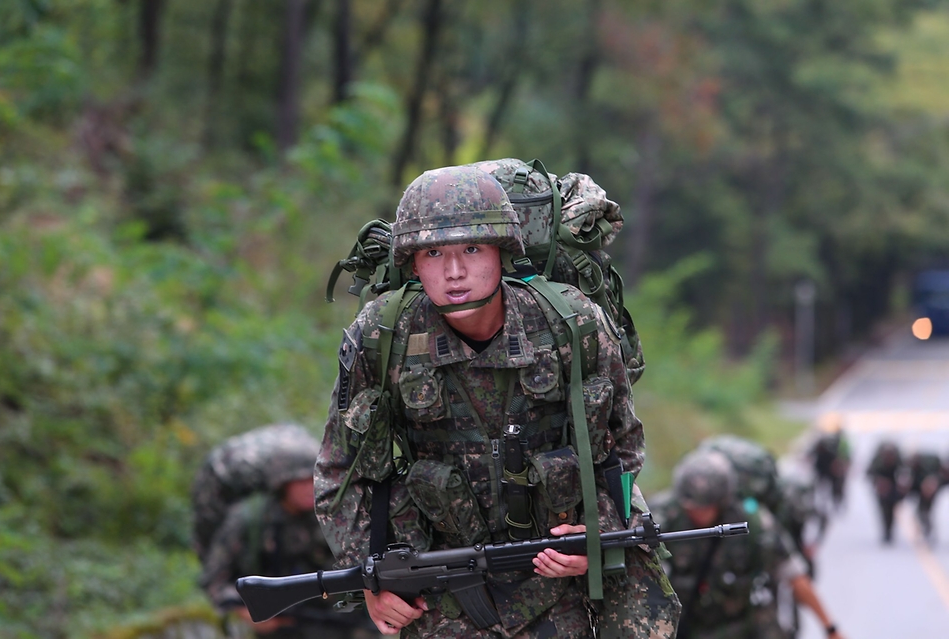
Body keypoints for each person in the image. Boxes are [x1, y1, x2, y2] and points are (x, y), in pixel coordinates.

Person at [314, 165, 680, 637]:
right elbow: (339, 472)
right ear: (412, 262)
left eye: (471, 248)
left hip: (557, 585)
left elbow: (622, 448)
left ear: (502, 252)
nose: (455, 271)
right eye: (433, 252)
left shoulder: (570, 323)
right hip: (439, 587)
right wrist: (371, 577)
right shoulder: (382, 336)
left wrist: (597, 532)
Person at [651, 449, 844, 639]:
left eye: (704, 507)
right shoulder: (665, 519)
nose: (696, 512)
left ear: (722, 501)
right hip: (685, 626)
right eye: (689, 507)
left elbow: (793, 574)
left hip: (739, 626)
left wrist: (830, 628)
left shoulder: (753, 522)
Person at [200, 440, 378, 639]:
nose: (309, 486)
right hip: (277, 628)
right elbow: (215, 581)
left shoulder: (336, 514)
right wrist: (246, 611)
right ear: (282, 483)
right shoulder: (251, 520)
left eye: (314, 478)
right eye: (300, 480)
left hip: (338, 624)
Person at [807, 413, 851, 516]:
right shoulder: (820, 439)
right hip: (822, 466)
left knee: (838, 487)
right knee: (817, 486)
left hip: (835, 468)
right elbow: (812, 451)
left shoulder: (841, 440)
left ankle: (838, 502)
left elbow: (846, 453)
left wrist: (844, 465)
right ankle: (818, 505)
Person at [866, 439, 906, 544]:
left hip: (893, 489)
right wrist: (879, 481)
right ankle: (886, 532)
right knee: (884, 511)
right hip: (881, 490)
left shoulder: (898, 462)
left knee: (892, 511)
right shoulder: (877, 462)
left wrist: (901, 484)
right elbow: (868, 473)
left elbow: (905, 473)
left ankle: (890, 531)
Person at [906, 449, 945, 541]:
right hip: (919, 488)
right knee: (921, 511)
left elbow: (942, 476)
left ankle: (927, 530)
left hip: (931, 486)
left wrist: (933, 484)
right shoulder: (912, 471)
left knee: (924, 511)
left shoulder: (932, 468)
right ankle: (924, 529)